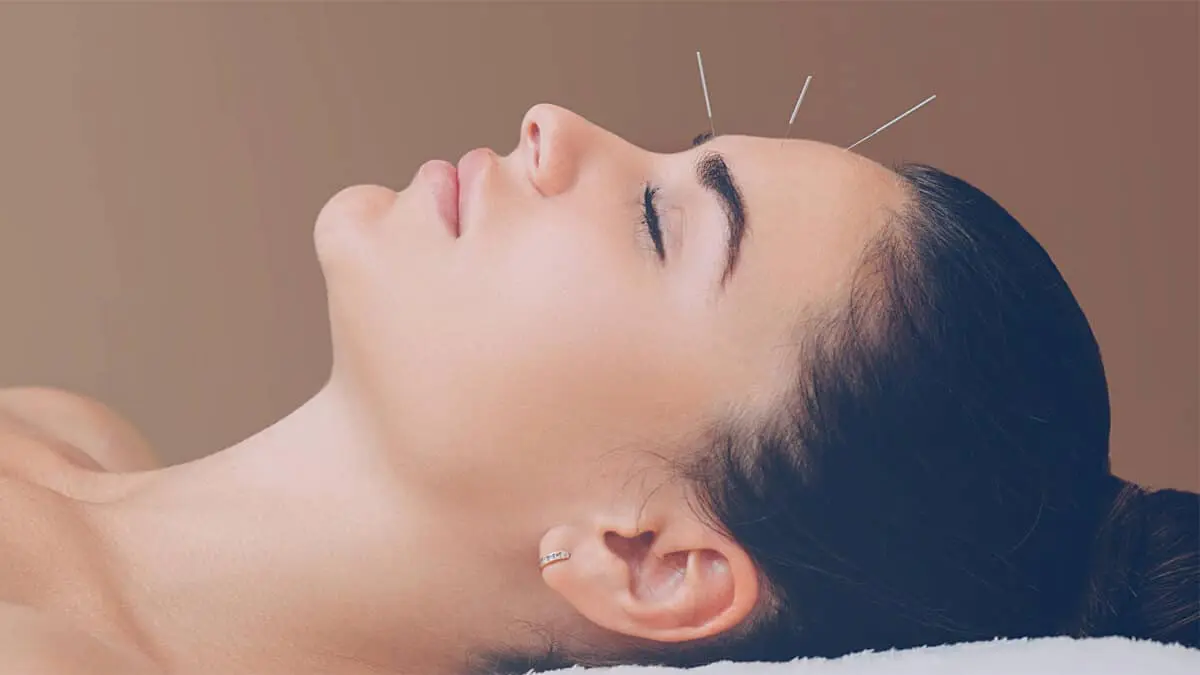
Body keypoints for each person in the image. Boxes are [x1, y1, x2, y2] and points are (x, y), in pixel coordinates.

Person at [0, 103, 1195, 675]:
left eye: (659, 221)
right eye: (671, 149)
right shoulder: (72, 435)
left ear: (651, 560)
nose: (554, 127)